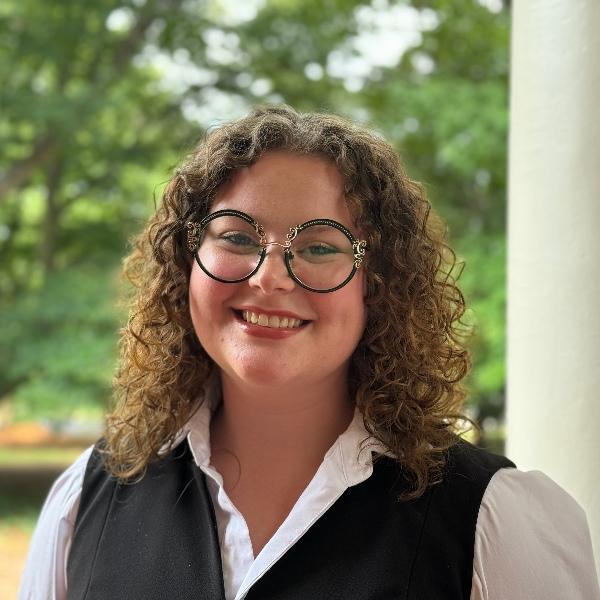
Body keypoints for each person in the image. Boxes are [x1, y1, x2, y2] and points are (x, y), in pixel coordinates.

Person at [19, 106, 599, 600]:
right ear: (185, 263)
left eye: (320, 245)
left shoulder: (493, 520)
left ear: (379, 283)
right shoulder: (85, 500)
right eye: (238, 236)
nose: (270, 277)